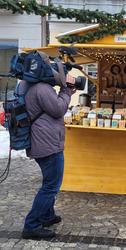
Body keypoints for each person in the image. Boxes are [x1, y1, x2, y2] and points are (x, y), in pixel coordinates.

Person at [21, 74, 76, 239]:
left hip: (44, 143)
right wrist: (66, 90)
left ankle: (47, 216)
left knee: (50, 183)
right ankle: (31, 225)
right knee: (50, 186)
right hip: (48, 146)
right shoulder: (42, 88)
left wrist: (65, 93)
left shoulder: (33, 86)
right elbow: (58, 109)